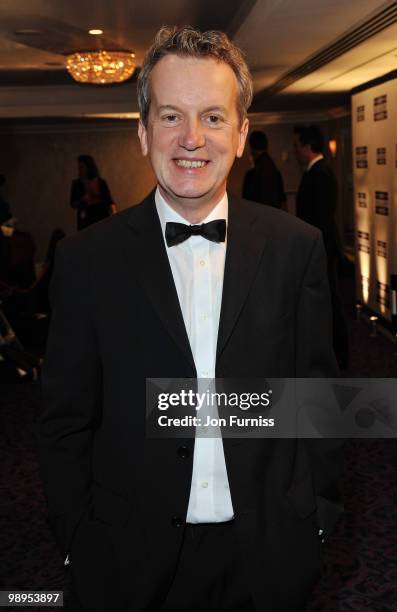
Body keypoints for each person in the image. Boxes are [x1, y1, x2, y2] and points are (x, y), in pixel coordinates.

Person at [38, 26, 343, 612]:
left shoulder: (296, 247)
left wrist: (318, 522)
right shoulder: (85, 260)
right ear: (142, 131)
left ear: (242, 130)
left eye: (213, 117)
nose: (192, 138)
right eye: (171, 116)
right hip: (129, 560)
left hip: (270, 555)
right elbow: (64, 422)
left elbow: (319, 398)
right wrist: (77, 542)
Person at [293, 125, 349, 370]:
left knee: (331, 303)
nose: (295, 151)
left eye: (297, 146)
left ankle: (340, 356)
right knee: (324, 303)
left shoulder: (321, 173)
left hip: (323, 248)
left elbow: (321, 219)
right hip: (319, 247)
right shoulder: (314, 171)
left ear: (307, 147)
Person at [70, 155, 116, 231]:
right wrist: (83, 200)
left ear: (89, 167)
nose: (80, 170)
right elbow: (73, 203)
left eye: (82, 167)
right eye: (79, 167)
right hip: (86, 220)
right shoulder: (77, 184)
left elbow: (109, 201)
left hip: (101, 217)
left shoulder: (101, 182)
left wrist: (114, 216)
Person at [242, 130, 285, 207]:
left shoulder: (252, 175)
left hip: (259, 214)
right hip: (273, 214)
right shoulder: (274, 170)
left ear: (251, 148)